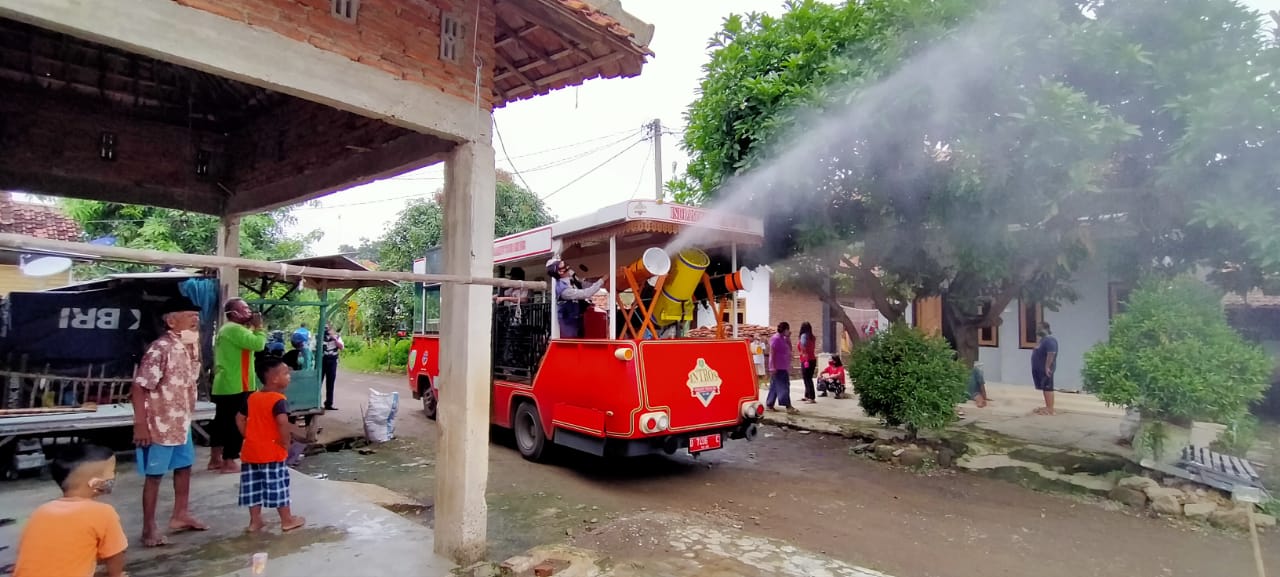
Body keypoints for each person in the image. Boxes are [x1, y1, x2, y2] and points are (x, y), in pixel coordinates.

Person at [132, 297, 207, 547]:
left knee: (184, 468)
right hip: (160, 423)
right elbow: (140, 386)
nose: (195, 320)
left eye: (196, 316)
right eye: (189, 316)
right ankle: (148, 528)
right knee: (154, 476)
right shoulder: (160, 348)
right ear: (171, 320)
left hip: (181, 422)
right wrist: (141, 424)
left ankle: (180, 514)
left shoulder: (189, 346)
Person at [13, 443, 128, 577]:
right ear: (95, 482)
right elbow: (115, 553)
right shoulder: (104, 513)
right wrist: (117, 574)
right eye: (112, 472)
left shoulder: (41, 511)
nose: (114, 476)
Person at [237, 357, 306, 533]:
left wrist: (249, 435)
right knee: (278, 486)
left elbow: (239, 418)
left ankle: (255, 521)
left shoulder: (252, 397)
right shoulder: (278, 400)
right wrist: (285, 442)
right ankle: (287, 519)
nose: (289, 376)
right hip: (271, 452)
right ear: (274, 379)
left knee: (253, 487)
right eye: (286, 373)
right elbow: (282, 422)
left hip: (251, 451)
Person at [210, 298, 267, 474]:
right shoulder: (234, 329)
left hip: (225, 384)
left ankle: (215, 459)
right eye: (244, 309)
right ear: (233, 313)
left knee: (221, 423)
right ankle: (229, 460)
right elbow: (258, 344)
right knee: (236, 423)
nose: (249, 312)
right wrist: (259, 328)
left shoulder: (227, 329)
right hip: (237, 385)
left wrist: (251, 328)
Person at [547, 257, 605, 338]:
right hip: (568, 325)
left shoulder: (571, 279)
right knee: (571, 345)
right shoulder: (564, 290)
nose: (563, 263)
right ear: (559, 271)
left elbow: (584, 285)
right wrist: (602, 280)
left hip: (577, 320)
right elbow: (586, 293)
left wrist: (599, 281)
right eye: (560, 264)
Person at [765, 322, 799, 414]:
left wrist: (788, 338)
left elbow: (790, 349)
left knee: (775, 386)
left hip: (783, 366)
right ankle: (788, 406)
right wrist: (772, 367)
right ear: (785, 330)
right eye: (788, 330)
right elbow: (772, 353)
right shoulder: (775, 339)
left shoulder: (783, 338)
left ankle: (769, 404)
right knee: (784, 387)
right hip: (778, 367)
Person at [1031, 322, 1059, 415]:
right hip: (1040, 368)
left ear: (1046, 329)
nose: (1037, 331)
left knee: (1048, 387)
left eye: (1039, 328)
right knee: (1044, 387)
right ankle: (1048, 406)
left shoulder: (1050, 340)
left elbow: (1051, 353)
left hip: (1046, 369)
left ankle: (1050, 409)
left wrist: (1047, 367)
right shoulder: (1043, 340)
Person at [321, 326, 344, 411]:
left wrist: (335, 339)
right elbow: (313, 348)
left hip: (332, 360)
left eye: (328, 329)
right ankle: (315, 403)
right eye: (325, 329)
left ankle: (329, 403)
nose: (327, 330)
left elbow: (341, 347)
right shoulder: (318, 336)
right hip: (321, 361)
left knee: (330, 382)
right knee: (318, 382)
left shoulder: (337, 337)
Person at [797, 321, 818, 403]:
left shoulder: (803, 336)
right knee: (808, 378)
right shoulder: (812, 337)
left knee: (807, 378)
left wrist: (803, 353)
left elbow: (803, 346)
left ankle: (811, 397)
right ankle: (807, 395)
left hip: (806, 360)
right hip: (812, 359)